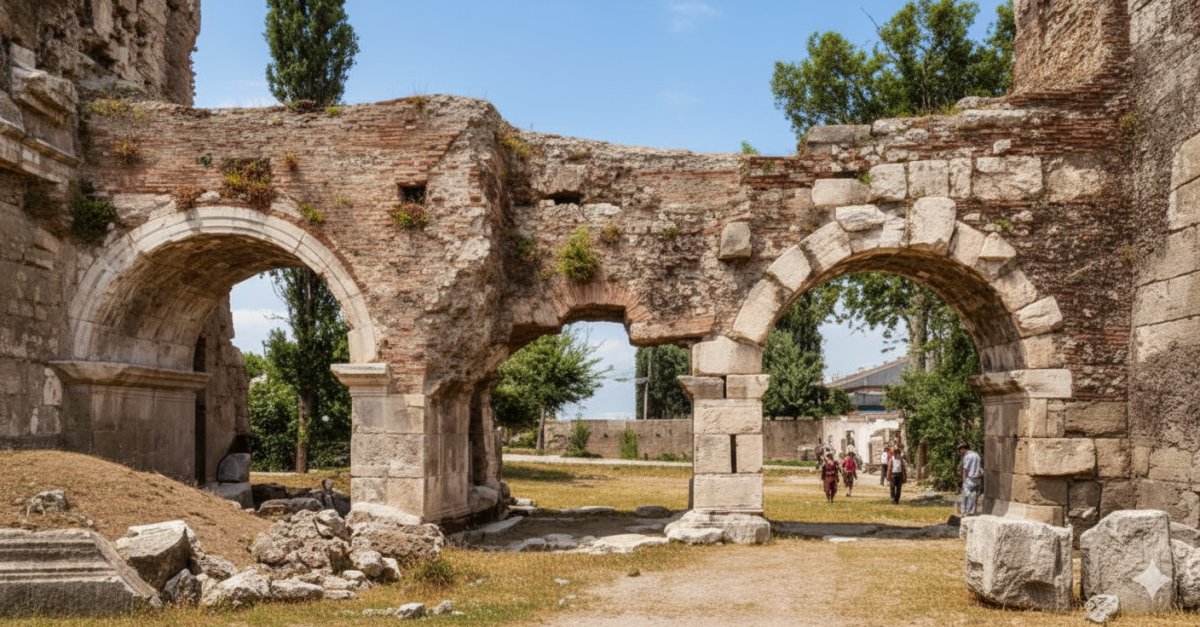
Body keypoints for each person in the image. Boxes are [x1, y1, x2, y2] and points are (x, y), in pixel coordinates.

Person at [958, 442, 983, 516]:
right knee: (974, 496)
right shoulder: (977, 455)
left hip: (970, 479)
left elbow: (965, 469)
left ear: (963, 449)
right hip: (978, 479)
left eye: (960, 450)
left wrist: (963, 480)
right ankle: (972, 512)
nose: (960, 452)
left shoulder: (967, 456)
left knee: (966, 496)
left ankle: (964, 512)